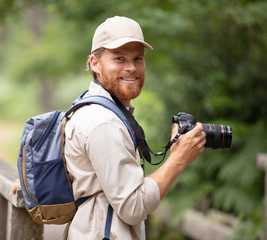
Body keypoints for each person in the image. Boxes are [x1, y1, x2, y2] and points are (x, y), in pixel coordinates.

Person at [62, 16, 206, 239]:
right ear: (95, 64)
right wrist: (179, 159)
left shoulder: (92, 107)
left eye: (138, 58)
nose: (131, 68)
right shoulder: (104, 123)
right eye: (119, 58)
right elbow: (133, 207)